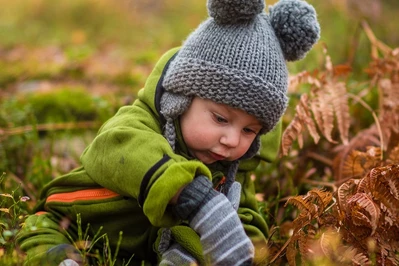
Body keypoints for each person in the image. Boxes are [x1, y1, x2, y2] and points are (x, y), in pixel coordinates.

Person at [17, 0, 320, 265]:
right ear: (181, 98)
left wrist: (223, 249)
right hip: (71, 220)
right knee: (43, 237)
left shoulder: (231, 170)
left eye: (249, 130)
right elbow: (112, 148)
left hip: (139, 252)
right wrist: (192, 195)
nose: (231, 140)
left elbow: (246, 222)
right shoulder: (138, 122)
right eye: (219, 119)